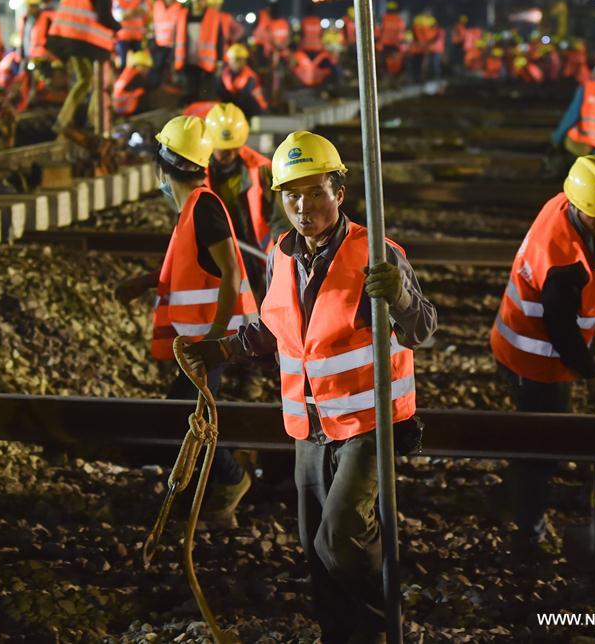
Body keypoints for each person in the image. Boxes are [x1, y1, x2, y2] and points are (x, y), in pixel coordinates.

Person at [180, 130, 437, 643]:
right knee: (313, 545)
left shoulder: (376, 253)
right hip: (308, 424)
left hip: (366, 422)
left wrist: (402, 298)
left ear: (339, 192)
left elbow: (423, 328)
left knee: (341, 538)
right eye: (291, 194)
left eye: (315, 191)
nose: (304, 205)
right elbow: (276, 326)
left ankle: (374, 631)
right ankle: (338, 635)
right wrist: (223, 347)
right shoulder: (280, 254)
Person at [114, 116, 258, 525]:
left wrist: (215, 340)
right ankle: (213, 498)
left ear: (163, 167)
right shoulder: (193, 209)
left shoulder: (203, 206)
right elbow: (193, 269)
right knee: (186, 414)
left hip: (211, 339)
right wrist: (145, 282)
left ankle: (230, 479)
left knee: (186, 417)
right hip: (202, 339)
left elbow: (230, 271)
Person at [490, 154, 595, 550]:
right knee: (542, 448)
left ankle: (511, 493)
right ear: (578, 203)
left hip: (517, 344)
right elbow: (563, 334)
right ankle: (527, 532)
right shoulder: (565, 266)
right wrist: (593, 371)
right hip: (535, 361)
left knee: (538, 434)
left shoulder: (563, 203)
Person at [203, 103, 286, 301]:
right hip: (216, 253)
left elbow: (281, 222)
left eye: (234, 147)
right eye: (223, 149)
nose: (230, 153)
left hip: (255, 257)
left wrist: (283, 259)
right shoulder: (199, 172)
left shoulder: (261, 169)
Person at [47, 0, 127, 138]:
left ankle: (64, 121)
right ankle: (93, 123)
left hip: (67, 39)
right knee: (97, 83)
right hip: (84, 42)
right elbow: (104, 16)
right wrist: (119, 27)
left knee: (85, 80)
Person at [173, 0, 224, 103]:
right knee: (188, 92)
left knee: (204, 94)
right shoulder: (182, 14)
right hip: (186, 62)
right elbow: (176, 38)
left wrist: (219, 61)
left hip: (206, 64)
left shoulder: (214, 16)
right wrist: (173, 60)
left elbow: (219, 39)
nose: (200, 0)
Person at [148, 0, 182, 87]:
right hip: (159, 45)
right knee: (156, 71)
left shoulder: (179, 7)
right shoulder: (155, 4)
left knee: (173, 72)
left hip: (174, 45)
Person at [217, 44, 267, 116]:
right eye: (236, 59)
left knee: (245, 100)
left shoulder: (249, 76)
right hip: (236, 104)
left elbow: (244, 95)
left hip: (254, 107)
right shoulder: (224, 74)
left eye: (241, 59)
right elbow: (222, 92)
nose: (239, 62)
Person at [112, 0, 146, 68]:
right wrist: (134, 11)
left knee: (139, 64)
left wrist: (127, 12)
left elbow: (143, 11)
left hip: (137, 36)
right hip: (122, 36)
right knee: (123, 64)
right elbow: (119, 16)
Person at [113, 49, 154, 116]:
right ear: (140, 66)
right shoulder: (137, 76)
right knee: (142, 91)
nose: (147, 71)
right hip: (128, 110)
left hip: (118, 108)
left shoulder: (127, 72)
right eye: (146, 68)